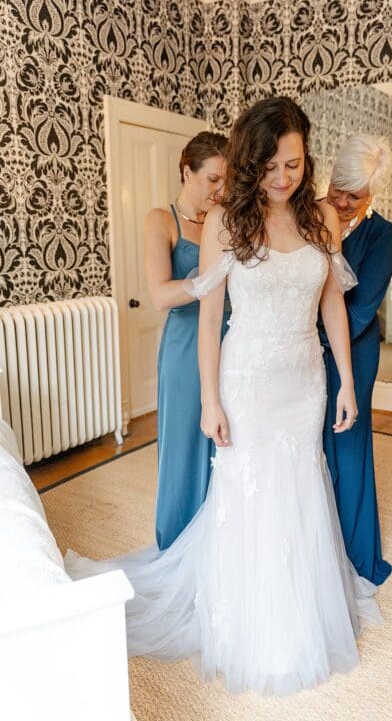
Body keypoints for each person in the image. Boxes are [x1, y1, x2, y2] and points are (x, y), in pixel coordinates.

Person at [65, 97, 381, 695]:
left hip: (304, 379)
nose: (282, 177)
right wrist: (210, 400)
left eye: (293, 164)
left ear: (306, 159)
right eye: (270, 166)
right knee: (250, 488)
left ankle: (300, 614)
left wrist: (345, 378)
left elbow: (332, 304)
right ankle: (246, 621)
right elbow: (210, 319)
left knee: (301, 482)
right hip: (247, 379)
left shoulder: (321, 217)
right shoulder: (225, 222)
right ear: (249, 162)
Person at [318, 135, 392, 585]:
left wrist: (310, 337)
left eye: (356, 196)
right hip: (301, 349)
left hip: (354, 349)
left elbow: (361, 309)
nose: (343, 202)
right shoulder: (306, 214)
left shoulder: (382, 235)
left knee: (347, 446)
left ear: (372, 194)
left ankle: (352, 555)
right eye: (338, 189)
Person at [143, 131, 230, 550]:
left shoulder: (226, 219)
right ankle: (177, 545)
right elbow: (160, 295)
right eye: (213, 179)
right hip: (184, 349)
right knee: (183, 446)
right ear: (186, 171)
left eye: (227, 181)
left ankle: (218, 547)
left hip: (229, 341)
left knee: (225, 442)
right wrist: (208, 280)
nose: (221, 190)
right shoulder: (161, 220)